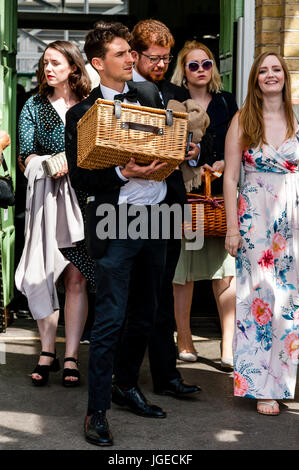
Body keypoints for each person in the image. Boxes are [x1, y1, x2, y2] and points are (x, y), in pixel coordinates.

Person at [66, 21, 192, 447]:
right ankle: (96, 411)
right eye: (122, 53)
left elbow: (167, 143)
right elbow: (82, 180)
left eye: (130, 53)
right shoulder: (81, 114)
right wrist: (123, 171)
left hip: (156, 216)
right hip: (115, 220)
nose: (131, 58)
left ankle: (125, 385)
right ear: (99, 64)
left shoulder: (153, 96)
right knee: (110, 320)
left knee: (146, 312)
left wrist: (183, 149)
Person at [115, 19, 201, 398]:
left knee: (162, 293)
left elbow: (204, 143)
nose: (161, 64)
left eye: (167, 58)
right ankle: (123, 380)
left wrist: (196, 153)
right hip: (127, 208)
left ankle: (166, 377)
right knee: (130, 296)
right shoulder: (122, 91)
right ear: (135, 55)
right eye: (154, 57)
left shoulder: (178, 92)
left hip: (168, 204)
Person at [223, 52, 299, 415]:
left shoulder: (297, 118)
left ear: (284, 77)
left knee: (290, 300)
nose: (271, 75)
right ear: (255, 79)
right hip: (255, 218)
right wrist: (232, 229)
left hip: (293, 220)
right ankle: (260, 385)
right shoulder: (243, 119)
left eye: (276, 70)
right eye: (263, 71)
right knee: (258, 299)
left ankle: (283, 381)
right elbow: (231, 178)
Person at [18, 40, 94, 388]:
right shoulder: (33, 105)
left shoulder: (92, 106)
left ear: (73, 68)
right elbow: (24, 156)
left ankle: (72, 354)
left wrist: (76, 165)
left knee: (76, 277)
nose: (49, 69)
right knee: (44, 273)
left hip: (83, 200)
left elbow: (103, 151)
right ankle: (47, 349)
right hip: (46, 200)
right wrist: (47, 164)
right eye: (45, 63)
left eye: (56, 64)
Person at [171, 41, 237, 368]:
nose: (200, 70)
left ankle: (228, 345)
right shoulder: (173, 103)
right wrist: (192, 154)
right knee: (184, 271)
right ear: (183, 70)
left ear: (214, 68)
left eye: (206, 64)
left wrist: (224, 163)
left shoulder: (226, 103)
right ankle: (184, 338)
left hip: (220, 196)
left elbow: (241, 141)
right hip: (188, 194)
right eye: (193, 65)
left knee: (225, 272)